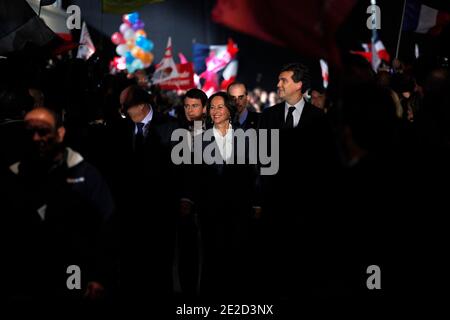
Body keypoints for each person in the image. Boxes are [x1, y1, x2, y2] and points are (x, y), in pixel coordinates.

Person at [3, 106, 115, 306]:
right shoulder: (13, 177)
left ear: (60, 133)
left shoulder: (86, 175)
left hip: (73, 276)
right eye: (30, 132)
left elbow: (107, 226)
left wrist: (99, 276)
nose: (36, 138)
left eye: (43, 130)